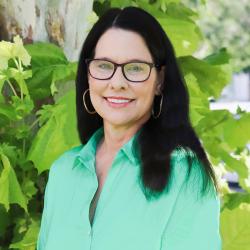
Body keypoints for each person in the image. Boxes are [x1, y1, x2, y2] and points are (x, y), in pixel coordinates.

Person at [36, 6, 222, 250]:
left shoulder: (184, 175)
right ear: (88, 74)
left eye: (135, 68)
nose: (117, 83)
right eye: (104, 65)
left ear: (160, 81)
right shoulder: (63, 172)